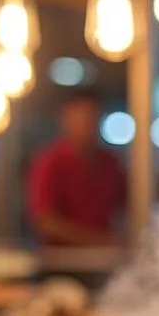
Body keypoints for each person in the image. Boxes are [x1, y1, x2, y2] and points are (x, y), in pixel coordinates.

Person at [27, 88, 126, 246]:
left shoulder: (111, 162)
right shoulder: (50, 161)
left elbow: (129, 206)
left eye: (93, 117)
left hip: (104, 259)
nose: (87, 125)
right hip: (60, 261)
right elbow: (44, 221)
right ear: (65, 118)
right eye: (81, 118)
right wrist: (96, 240)